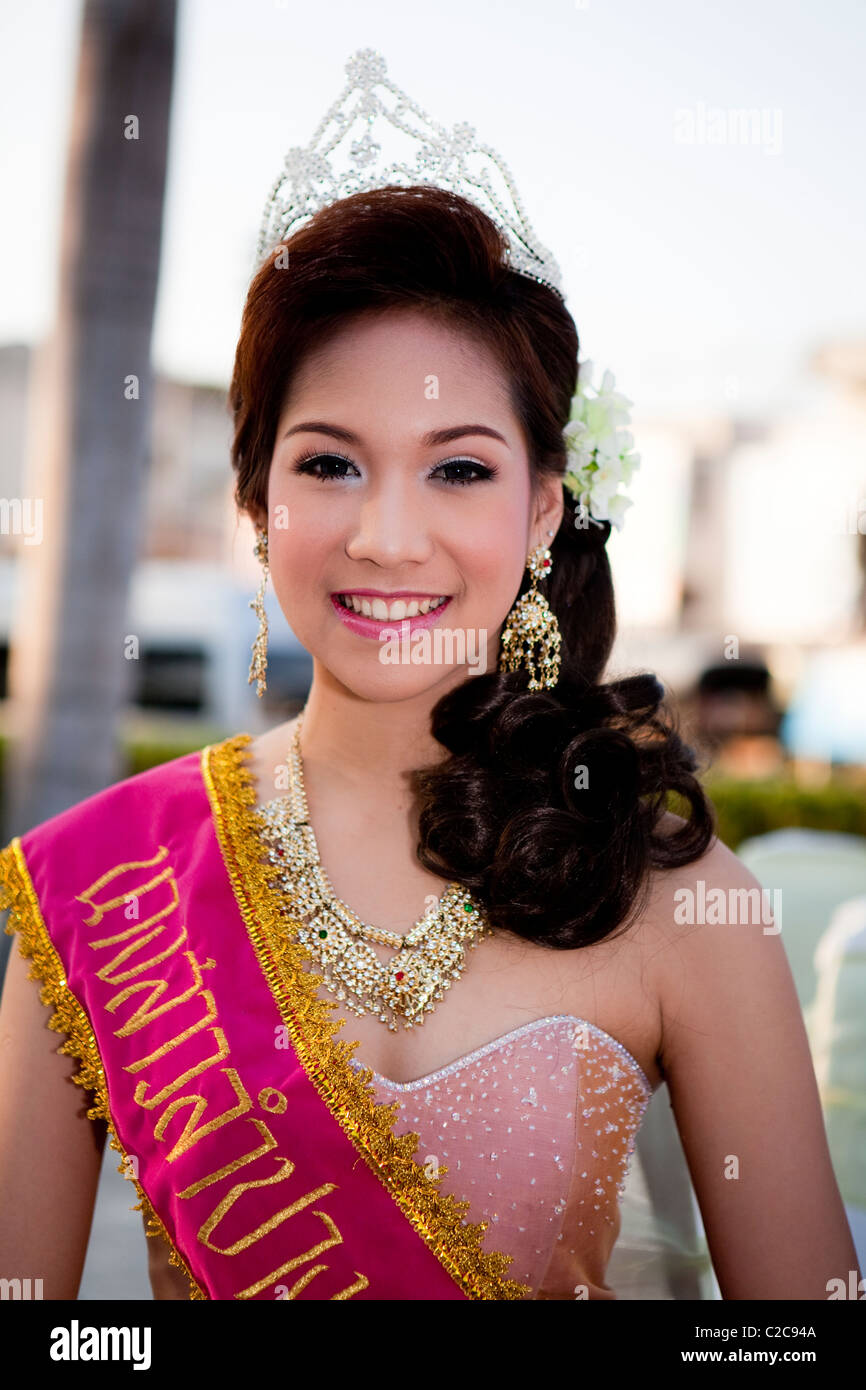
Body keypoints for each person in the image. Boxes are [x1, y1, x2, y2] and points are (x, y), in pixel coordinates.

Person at [0, 49, 859, 1302]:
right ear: (256, 499)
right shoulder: (91, 886)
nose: (385, 536)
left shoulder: (672, 898)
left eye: (456, 468)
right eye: (329, 463)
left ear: (538, 512)